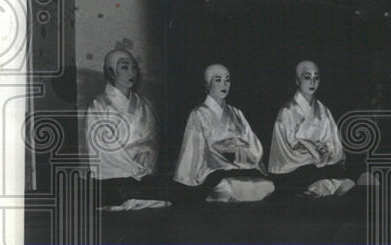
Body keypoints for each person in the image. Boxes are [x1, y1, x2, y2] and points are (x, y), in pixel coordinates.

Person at [173, 64, 274, 202]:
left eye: (227, 80)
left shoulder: (236, 113)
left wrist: (239, 150)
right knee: (228, 188)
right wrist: (223, 148)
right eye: (218, 80)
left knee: (267, 185)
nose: (224, 84)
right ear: (207, 84)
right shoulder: (198, 113)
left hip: (239, 167)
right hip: (214, 171)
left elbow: (253, 144)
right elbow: (196, 152)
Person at [84, 49, 170, 208]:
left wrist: (146, 157)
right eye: (124, 67)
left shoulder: (144, 104)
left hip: (144, 171)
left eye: (134, 67)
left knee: (165, 191)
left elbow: (153, 139)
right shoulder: (98, 106)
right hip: (116, 175)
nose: (131, 72)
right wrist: (133, 166)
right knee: (128, 194)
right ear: (111, 72)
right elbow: (105, 150)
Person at [268, 60, 355, 197]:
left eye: (316, 77)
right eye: (307, 77)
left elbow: (332, 140)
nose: (313, 82)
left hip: (319, 162)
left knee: (334, 170)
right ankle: (324, 186)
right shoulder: (287, 111)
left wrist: (326, 150)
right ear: (297, 81)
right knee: (309, 174)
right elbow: (288, 148)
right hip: (296, 166)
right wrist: (312, 151)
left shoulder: (323, 110)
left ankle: (322, 186)